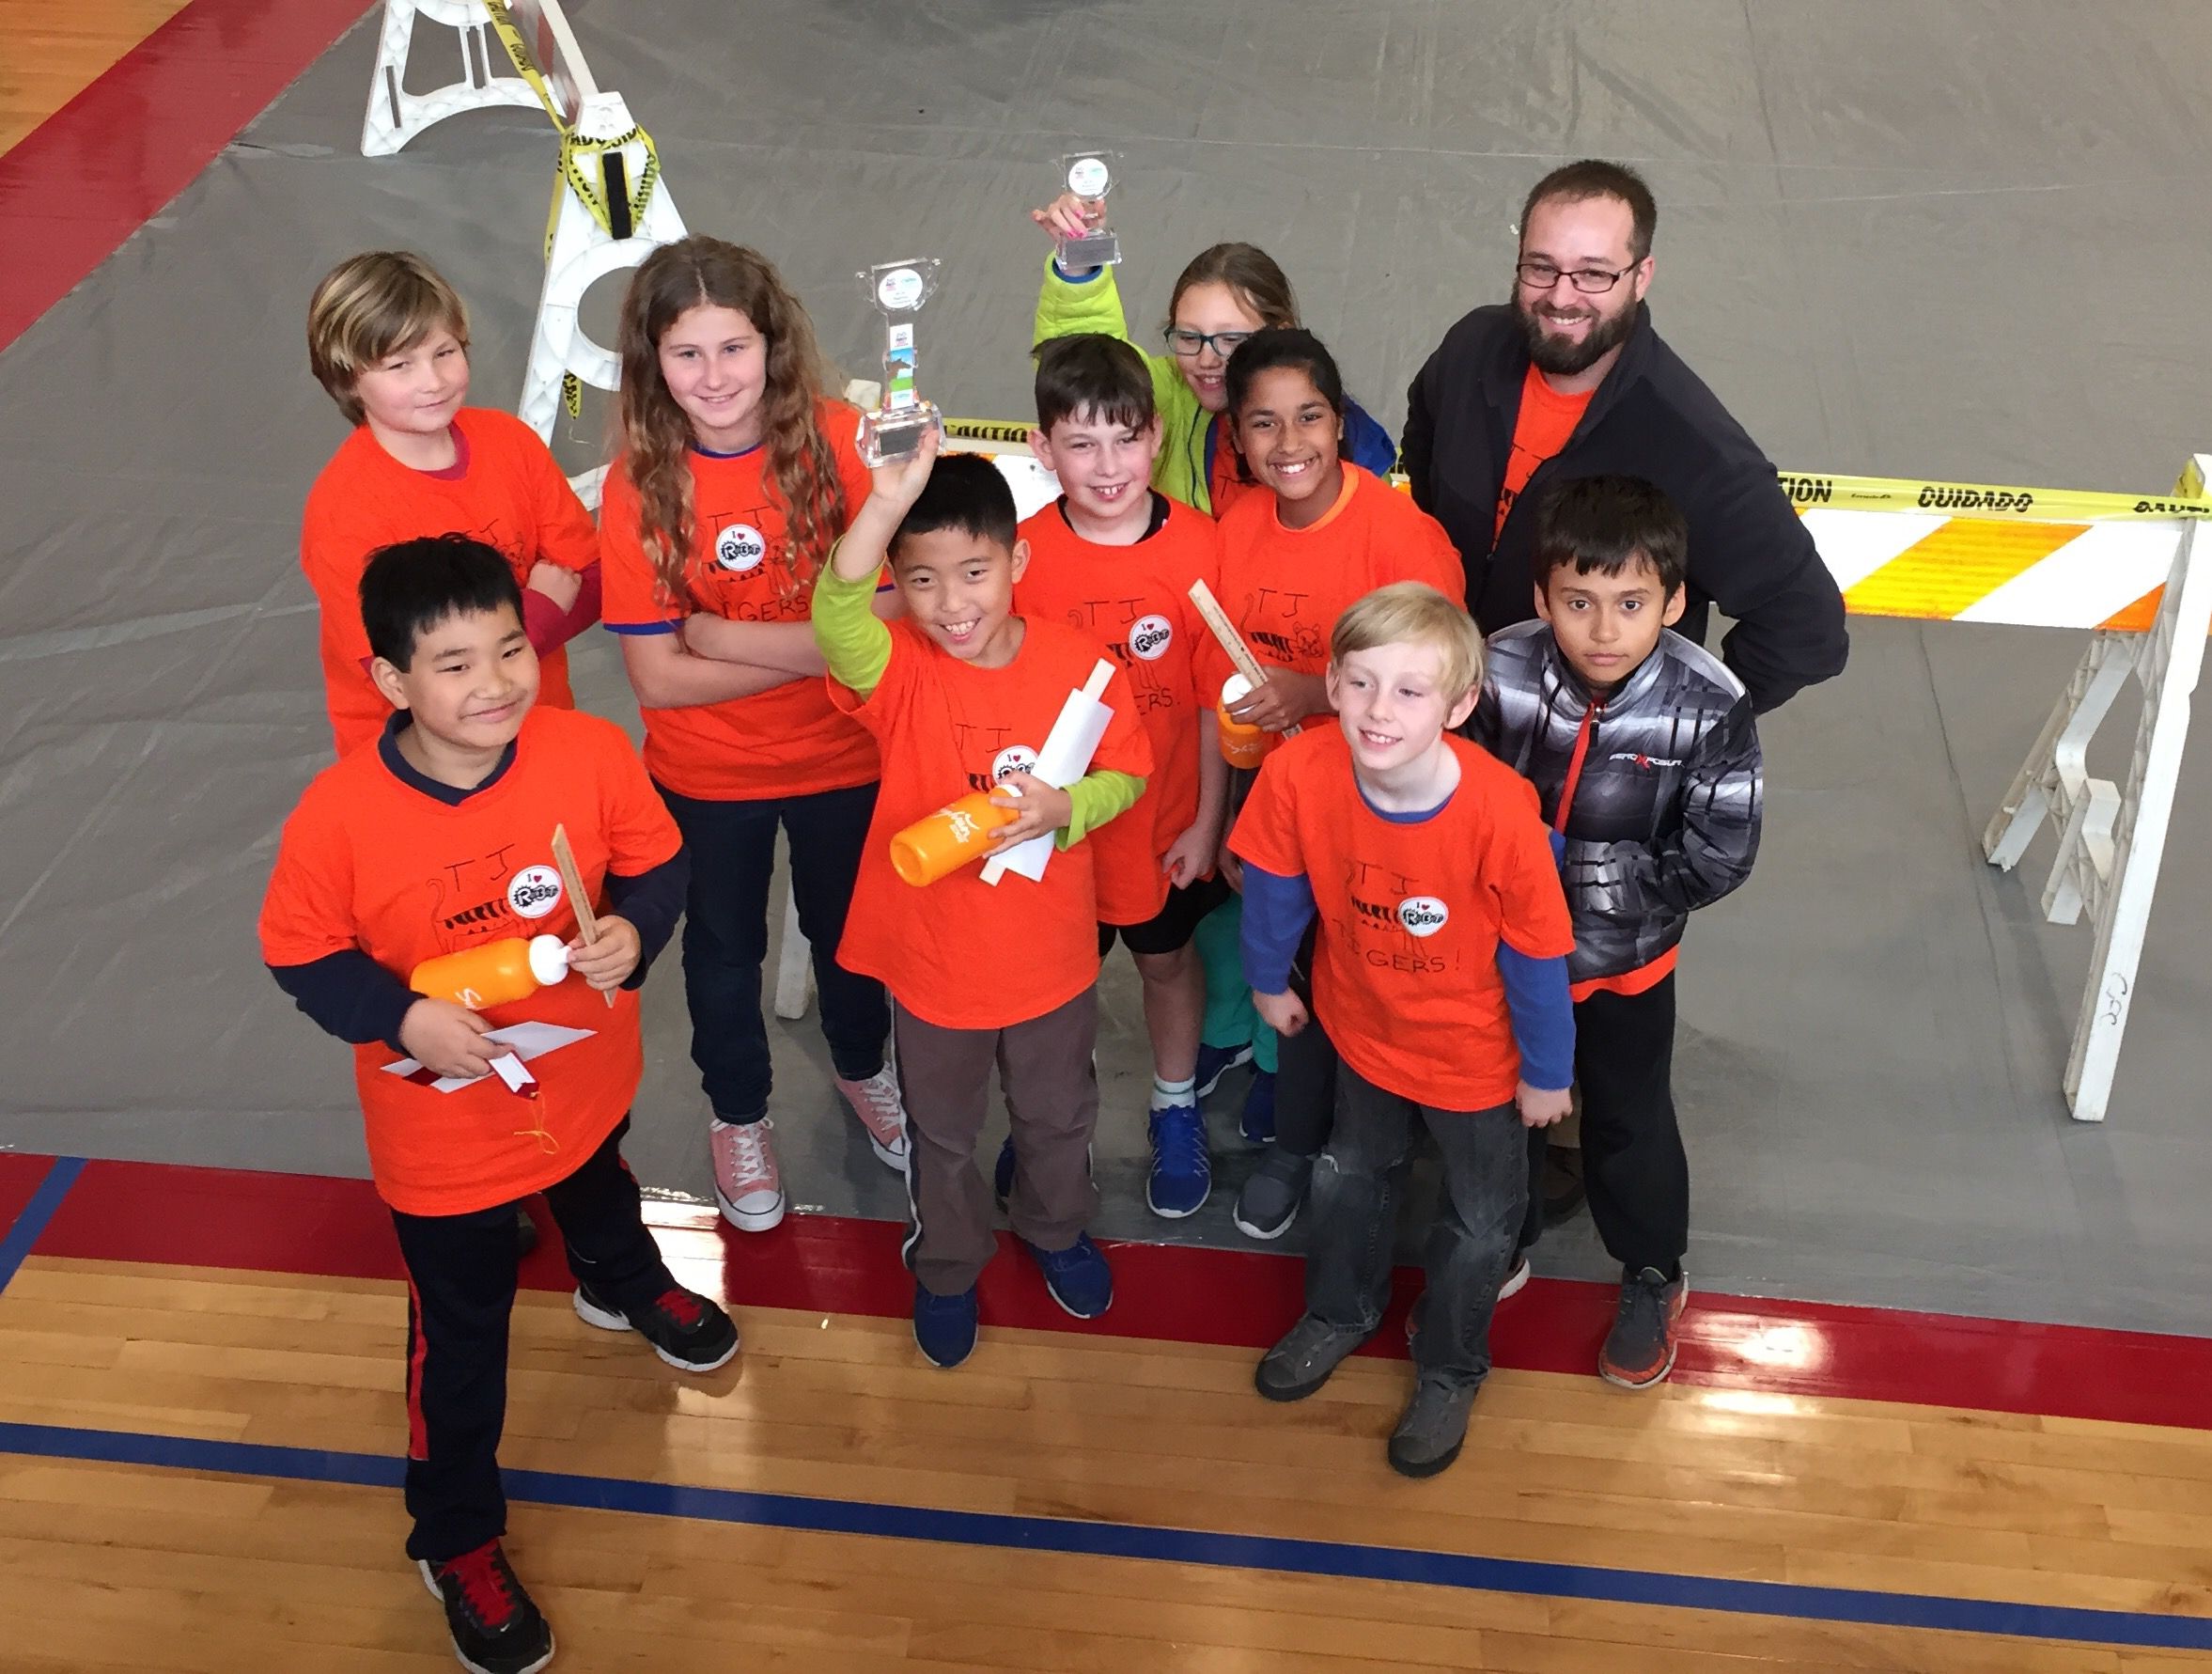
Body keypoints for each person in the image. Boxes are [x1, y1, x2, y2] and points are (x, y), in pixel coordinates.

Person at [259, 536, 736, 1674]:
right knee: (462, 1340)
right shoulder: (339, 815)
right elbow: (299, 951)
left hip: (580, 1078)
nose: (495, 684)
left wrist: (637, 923)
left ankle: (621, 1284)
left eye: (512, 649)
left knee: (596, 1175)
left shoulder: (585, 750)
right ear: (390, 683)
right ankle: (456, 1531)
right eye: (456, 663)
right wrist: (399, 1016)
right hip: (444, 1145)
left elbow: (655, 859)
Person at [1400, 158, 1842, 1219]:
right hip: (1451, 756)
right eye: (1540, 267)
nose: (1561, 296)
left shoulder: (1686, 440)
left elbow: (1805, 626)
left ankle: (1597, 1199)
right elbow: (1420, 473)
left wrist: (1668, 730)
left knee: (1599, 1027)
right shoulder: (1469, 351)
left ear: (1642, 277)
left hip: (1578, 806)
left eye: (1593, 275)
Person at [812, 438, 1153, 1370]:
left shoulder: (1078, 667)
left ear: (1018, 562)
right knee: (944, 1135)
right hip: (932, 968)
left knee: (1056, 1116)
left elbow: (1128, 772)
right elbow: (833, 611)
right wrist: (882, 505)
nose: (951, 602)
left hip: (1049, 963)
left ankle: (1053, 1227)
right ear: (898, 583)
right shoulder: (900, 670)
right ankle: (949, 1265)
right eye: (921, 580)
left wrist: (1065, 806)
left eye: (973, 572)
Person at [600, 237, 909, 1235]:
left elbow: (900, 615)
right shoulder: (636, 485)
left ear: (772, 346)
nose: (715, 377)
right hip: (707, 776)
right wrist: (827, 641)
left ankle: (864, 1069)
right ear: (653, 362)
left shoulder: (842, 440)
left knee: (852, 940)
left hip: (846, 758)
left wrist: (727, 633)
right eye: (687, 355)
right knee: (721, 954)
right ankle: (740, 1114)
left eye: (733, 348)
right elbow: (657, 677)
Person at [1230, 582, 1575, 1477]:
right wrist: (1269, 983)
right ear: (1332, 686)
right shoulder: (1299, 771)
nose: (1380, 711)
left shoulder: (1502, 815)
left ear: (1460, 706)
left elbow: (1538, 958)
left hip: (1478, 1065)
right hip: (1363, 1035)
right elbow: (1273, 878)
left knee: (1478, 1222)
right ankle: (1340, 1309)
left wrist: (1545, 1072)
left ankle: (1453, 1366)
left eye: (1412, 691)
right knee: (1348, 1178)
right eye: (1360, 683)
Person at [1471, 476, 1762, 1389]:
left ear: (1673, 603)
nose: (1603, 628)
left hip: (1623, 967)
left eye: (1630, 604)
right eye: (1578, 602)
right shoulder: (1498, 669)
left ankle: (1648, 1270)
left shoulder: (1708, 703)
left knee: (1627, 1121)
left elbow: (1719, 851)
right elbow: (1455, 795)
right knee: (1500, 1107)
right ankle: (1498, 1238)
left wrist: (1587, 884)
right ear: (1538, 597)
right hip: (1505, 962)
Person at [1200, 327, 1468, 1240]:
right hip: (1286, 814)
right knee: (1296, 985)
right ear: (1234, 437)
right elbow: (1227, 701)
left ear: (1340, 418)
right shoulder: (1235, 531)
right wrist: (1234, 812)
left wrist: (1313, 691)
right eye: (1263, 424)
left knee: (1375, 982)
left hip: (1385, 816)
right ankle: (1292, 1141)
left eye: (1308, 416)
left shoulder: (1402, 539)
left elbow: (1439, 685)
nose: (1289, 444)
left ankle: (1379, 1145)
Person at [1009, 335, 1229, 1217]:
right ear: (1041, 447)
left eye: (1127, 438)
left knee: (1167, 962)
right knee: (1057, 990)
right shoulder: (1018, 558)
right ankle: (1049, 1131)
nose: (1108, 466)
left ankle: (1175, 1105)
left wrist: (1207, 820)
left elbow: (1218, 706)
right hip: (1054, 832)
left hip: (1164, 822)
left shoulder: (1203, 549)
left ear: (1155, 438)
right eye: (1081, 443)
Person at [302, 251, 601, 759]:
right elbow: (404, 678)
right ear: (347, 379)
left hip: (539, 734)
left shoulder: (510, 443)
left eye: (444, 352)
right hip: (420, 767)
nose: (433, 381)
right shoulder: (345, 511)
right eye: (400, 365)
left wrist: (462, 655)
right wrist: (542, 611)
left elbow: (592, 581)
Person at [1026, 197, 1396, 520]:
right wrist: (1078, 266)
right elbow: (1085, 366)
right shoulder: (1163, 395)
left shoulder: (1338, 434)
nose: (1207, 359)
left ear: (1279, 333)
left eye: (1231, 339)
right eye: (1189, 337)